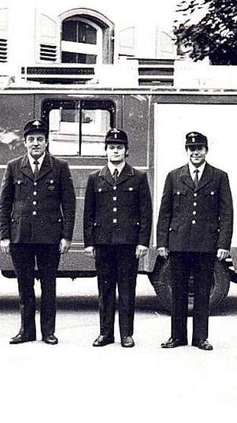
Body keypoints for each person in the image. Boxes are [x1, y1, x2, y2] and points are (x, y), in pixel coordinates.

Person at [0, 119, 76, 345]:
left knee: (48, 285)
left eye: (40, 139)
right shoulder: (13, 166)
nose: (35, 144)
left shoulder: (60, 167)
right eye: (31, 139)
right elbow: (5, 203)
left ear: (47, 142)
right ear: (24, 142)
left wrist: (66, 236)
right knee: (24, 285)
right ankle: (26, 331)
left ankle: (48, 332)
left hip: (49, 237)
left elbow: (68, 204)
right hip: (20, 236)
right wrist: (5, 235)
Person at [157, 132, 233, 351]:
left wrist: (223, 244)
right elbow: (165, 212)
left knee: (201, 292)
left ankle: (200, 337)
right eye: (191, 149)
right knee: (178, 291)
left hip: (206, 244)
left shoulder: (219, 176)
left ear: (206, 151)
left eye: (199, 148)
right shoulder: (174, 176)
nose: (195, 152)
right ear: (186, 151)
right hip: (179, 243)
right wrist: (162, 242)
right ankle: (177, 336)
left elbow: (226, 213)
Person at [83, 128, 153, 348]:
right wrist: (89, 242)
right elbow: (89, 213)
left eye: (119, 147)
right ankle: (105, 333)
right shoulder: (95, 178)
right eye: (111, 147)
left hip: (128, 243)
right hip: (103, 242)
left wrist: (143, 242)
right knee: (104, 289)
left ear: (127, 151)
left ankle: (126, 334)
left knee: (126, 288)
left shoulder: (138, 177)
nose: (115, 151)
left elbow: (146, 212)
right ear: (105, 151)